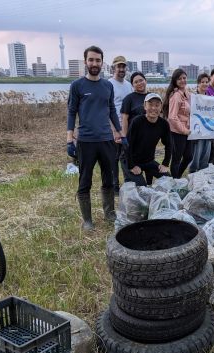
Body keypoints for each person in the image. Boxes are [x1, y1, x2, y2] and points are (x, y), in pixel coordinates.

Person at [67, 45, 122, 230]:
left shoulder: (107, 85)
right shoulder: (77, 86)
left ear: (102, 62)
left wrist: (120, 133)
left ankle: (109, 213)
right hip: (86, 141)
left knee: (109, 178)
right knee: (85, 181)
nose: (94, 63)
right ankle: (88, 220)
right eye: (91, 60)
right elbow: (71, 112)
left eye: (98, 60)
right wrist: (69, 139)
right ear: (85, 62)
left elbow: (112, 110)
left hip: (106, 140)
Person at [127, 93, 171, 186]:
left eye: (157, 105)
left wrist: (165, 164)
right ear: (145, 106)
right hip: (132, 160)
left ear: (161, 107)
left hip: (148, 160)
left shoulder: (163, 124)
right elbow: (128, 145)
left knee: (168, 179)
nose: (154, 108)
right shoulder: (137, 122)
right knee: (141, 186)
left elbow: (169, 144)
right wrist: (132, 166)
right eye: (150, 104)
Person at [108, 56, 132, 194]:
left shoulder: (129, 85)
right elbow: (107, 109)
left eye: (123, 67)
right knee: (114, 158)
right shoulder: (109, 84)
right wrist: (114, 130)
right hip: (114, 128)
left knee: (126, 156)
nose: (121, 69)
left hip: (126, 127)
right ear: (114, 68)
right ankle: (114, 186)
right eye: (119, 67)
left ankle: (128, 183)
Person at [163, 68, 192, 179]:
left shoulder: (187, 93)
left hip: (187, 131)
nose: (182, 80)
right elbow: (172, 117)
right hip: (177, 132)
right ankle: (175, 181)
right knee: (176, 158)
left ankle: (177, 177)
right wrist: (184, 130)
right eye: (179, 79)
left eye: (184, 78)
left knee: (189, 156)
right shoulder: (176, 96)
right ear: (175, 81)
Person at [120, 72, 148, 182]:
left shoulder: (151, 97)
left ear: (145, 80)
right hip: (133, 138)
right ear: (132, 85)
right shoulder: (129, 99)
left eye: (141, 80)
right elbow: (124, 119)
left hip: (146, 139)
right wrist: (125, 138)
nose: (139, 83)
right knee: (133, 175)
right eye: (136, 82)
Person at [188, 73, 212, 173]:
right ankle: (193, 171)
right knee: (197, 151)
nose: (205, 84)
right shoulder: (193, 96)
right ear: (198, 83)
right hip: (196, 128)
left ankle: (203, 171)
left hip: (208, 127)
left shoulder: (211, 98)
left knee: (206, 150)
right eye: (202, 82)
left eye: (207, 82)